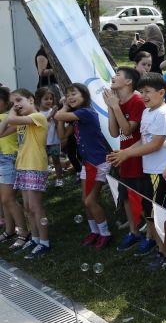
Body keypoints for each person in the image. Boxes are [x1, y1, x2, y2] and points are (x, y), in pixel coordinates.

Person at [107, 73, 166, 257]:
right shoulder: (147, 111)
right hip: (149, 170)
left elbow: (155, 144)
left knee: (156, 214)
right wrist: (124, 153)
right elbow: (144, 140)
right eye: (141, 91)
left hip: (160, 172)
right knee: (150, 212)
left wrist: (127, 153)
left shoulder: (162, 113)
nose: (144, 95)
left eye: (148, 92)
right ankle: (161, 249)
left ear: (161, 92)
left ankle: (165, 252)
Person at [54, 84, 112, 249]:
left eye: (73, 94)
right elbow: (62, 135)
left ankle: (105, 233)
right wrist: (60, 118)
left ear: (84, 96)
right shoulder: (77, 117)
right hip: (88, 163)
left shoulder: (85, 112)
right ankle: (94, 231)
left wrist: (63, 107)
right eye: (67, 94)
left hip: (98, 162)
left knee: (90, 200)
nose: (70, 97)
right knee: (85, 200)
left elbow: (59, 115)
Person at [0, 89, 50, 259]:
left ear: (31, 99)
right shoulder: (21, 122)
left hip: (35, 166)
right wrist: (11, 115)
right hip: (23, 167)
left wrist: (10, 113)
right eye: (13, 103)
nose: (16, 105)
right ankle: (35, 239)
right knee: (28, 207)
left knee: (36, 206)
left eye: (19, 100)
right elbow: (0, 133)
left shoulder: (38, 117)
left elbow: (11, 119)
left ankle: (44, 243)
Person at [103, 67, 145, 252]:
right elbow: (114, 132)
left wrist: (115, 106)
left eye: (118, 75)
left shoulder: (137, 101)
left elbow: (128, 130)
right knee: (126, 195)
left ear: (129, 82)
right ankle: (134, 232)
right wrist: (112, 106)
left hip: (138, 156)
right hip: (124, 156)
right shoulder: (117, 101)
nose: (113, 77)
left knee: (142, 197)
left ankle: (150, 235)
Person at [0, 87, 28, 251]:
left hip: (8, 159)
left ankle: (23, 233)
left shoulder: (8, 117)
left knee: (8, 199)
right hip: (3, 159)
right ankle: (9, 230)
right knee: (4, 200)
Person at [35, 87, 63, 188]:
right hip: (42, 142)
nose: (49, 101)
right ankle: (44, 180)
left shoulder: (53, 111)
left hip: (54, 141)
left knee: (56, 161)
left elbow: (57, 125)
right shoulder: (37, 113)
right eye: (46, 99)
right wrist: (51, 114)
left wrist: (55, 116)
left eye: (50, 99)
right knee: (43, 162)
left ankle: (59, 179)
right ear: (39, 100)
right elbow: (42, 123)